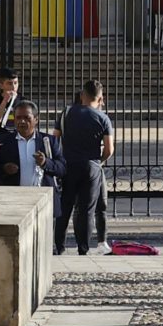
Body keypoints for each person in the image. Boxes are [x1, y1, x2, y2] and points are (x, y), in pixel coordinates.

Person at [0, 100, 63, 249]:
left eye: (27, 118)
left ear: (36, 119)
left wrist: (45, 163)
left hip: (43, 202)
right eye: (18, 118)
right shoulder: (4, 142)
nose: (22, 121)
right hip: (15, 203)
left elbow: (62, 168)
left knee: (44, 247)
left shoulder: (49, 141)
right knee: (17, 246)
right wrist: (4, 169)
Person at [59, 79, 114, 255]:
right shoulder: (103, 118)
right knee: (87, 209)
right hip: (91, 165)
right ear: (100, 98)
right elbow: (109, 148)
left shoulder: (66, 113)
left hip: (68, 164)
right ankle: (83, 247)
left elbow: (55, 138)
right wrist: (99, 161)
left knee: (65, 206)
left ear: (82, 95)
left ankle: (58, 246)